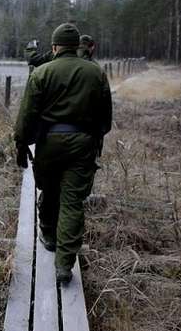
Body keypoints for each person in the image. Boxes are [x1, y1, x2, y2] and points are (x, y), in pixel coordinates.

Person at [14, 23, 112, 284]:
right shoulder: (97, 73)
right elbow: (106, 120)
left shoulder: (42, 72)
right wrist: (92, 139)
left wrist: (21, 143)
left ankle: (48, 235)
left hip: (50, 144)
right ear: (77, 45)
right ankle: (65, 266)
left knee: (50, 190)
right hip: (83, 145)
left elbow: (27, 116)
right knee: (72, 202)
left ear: (55, 46)